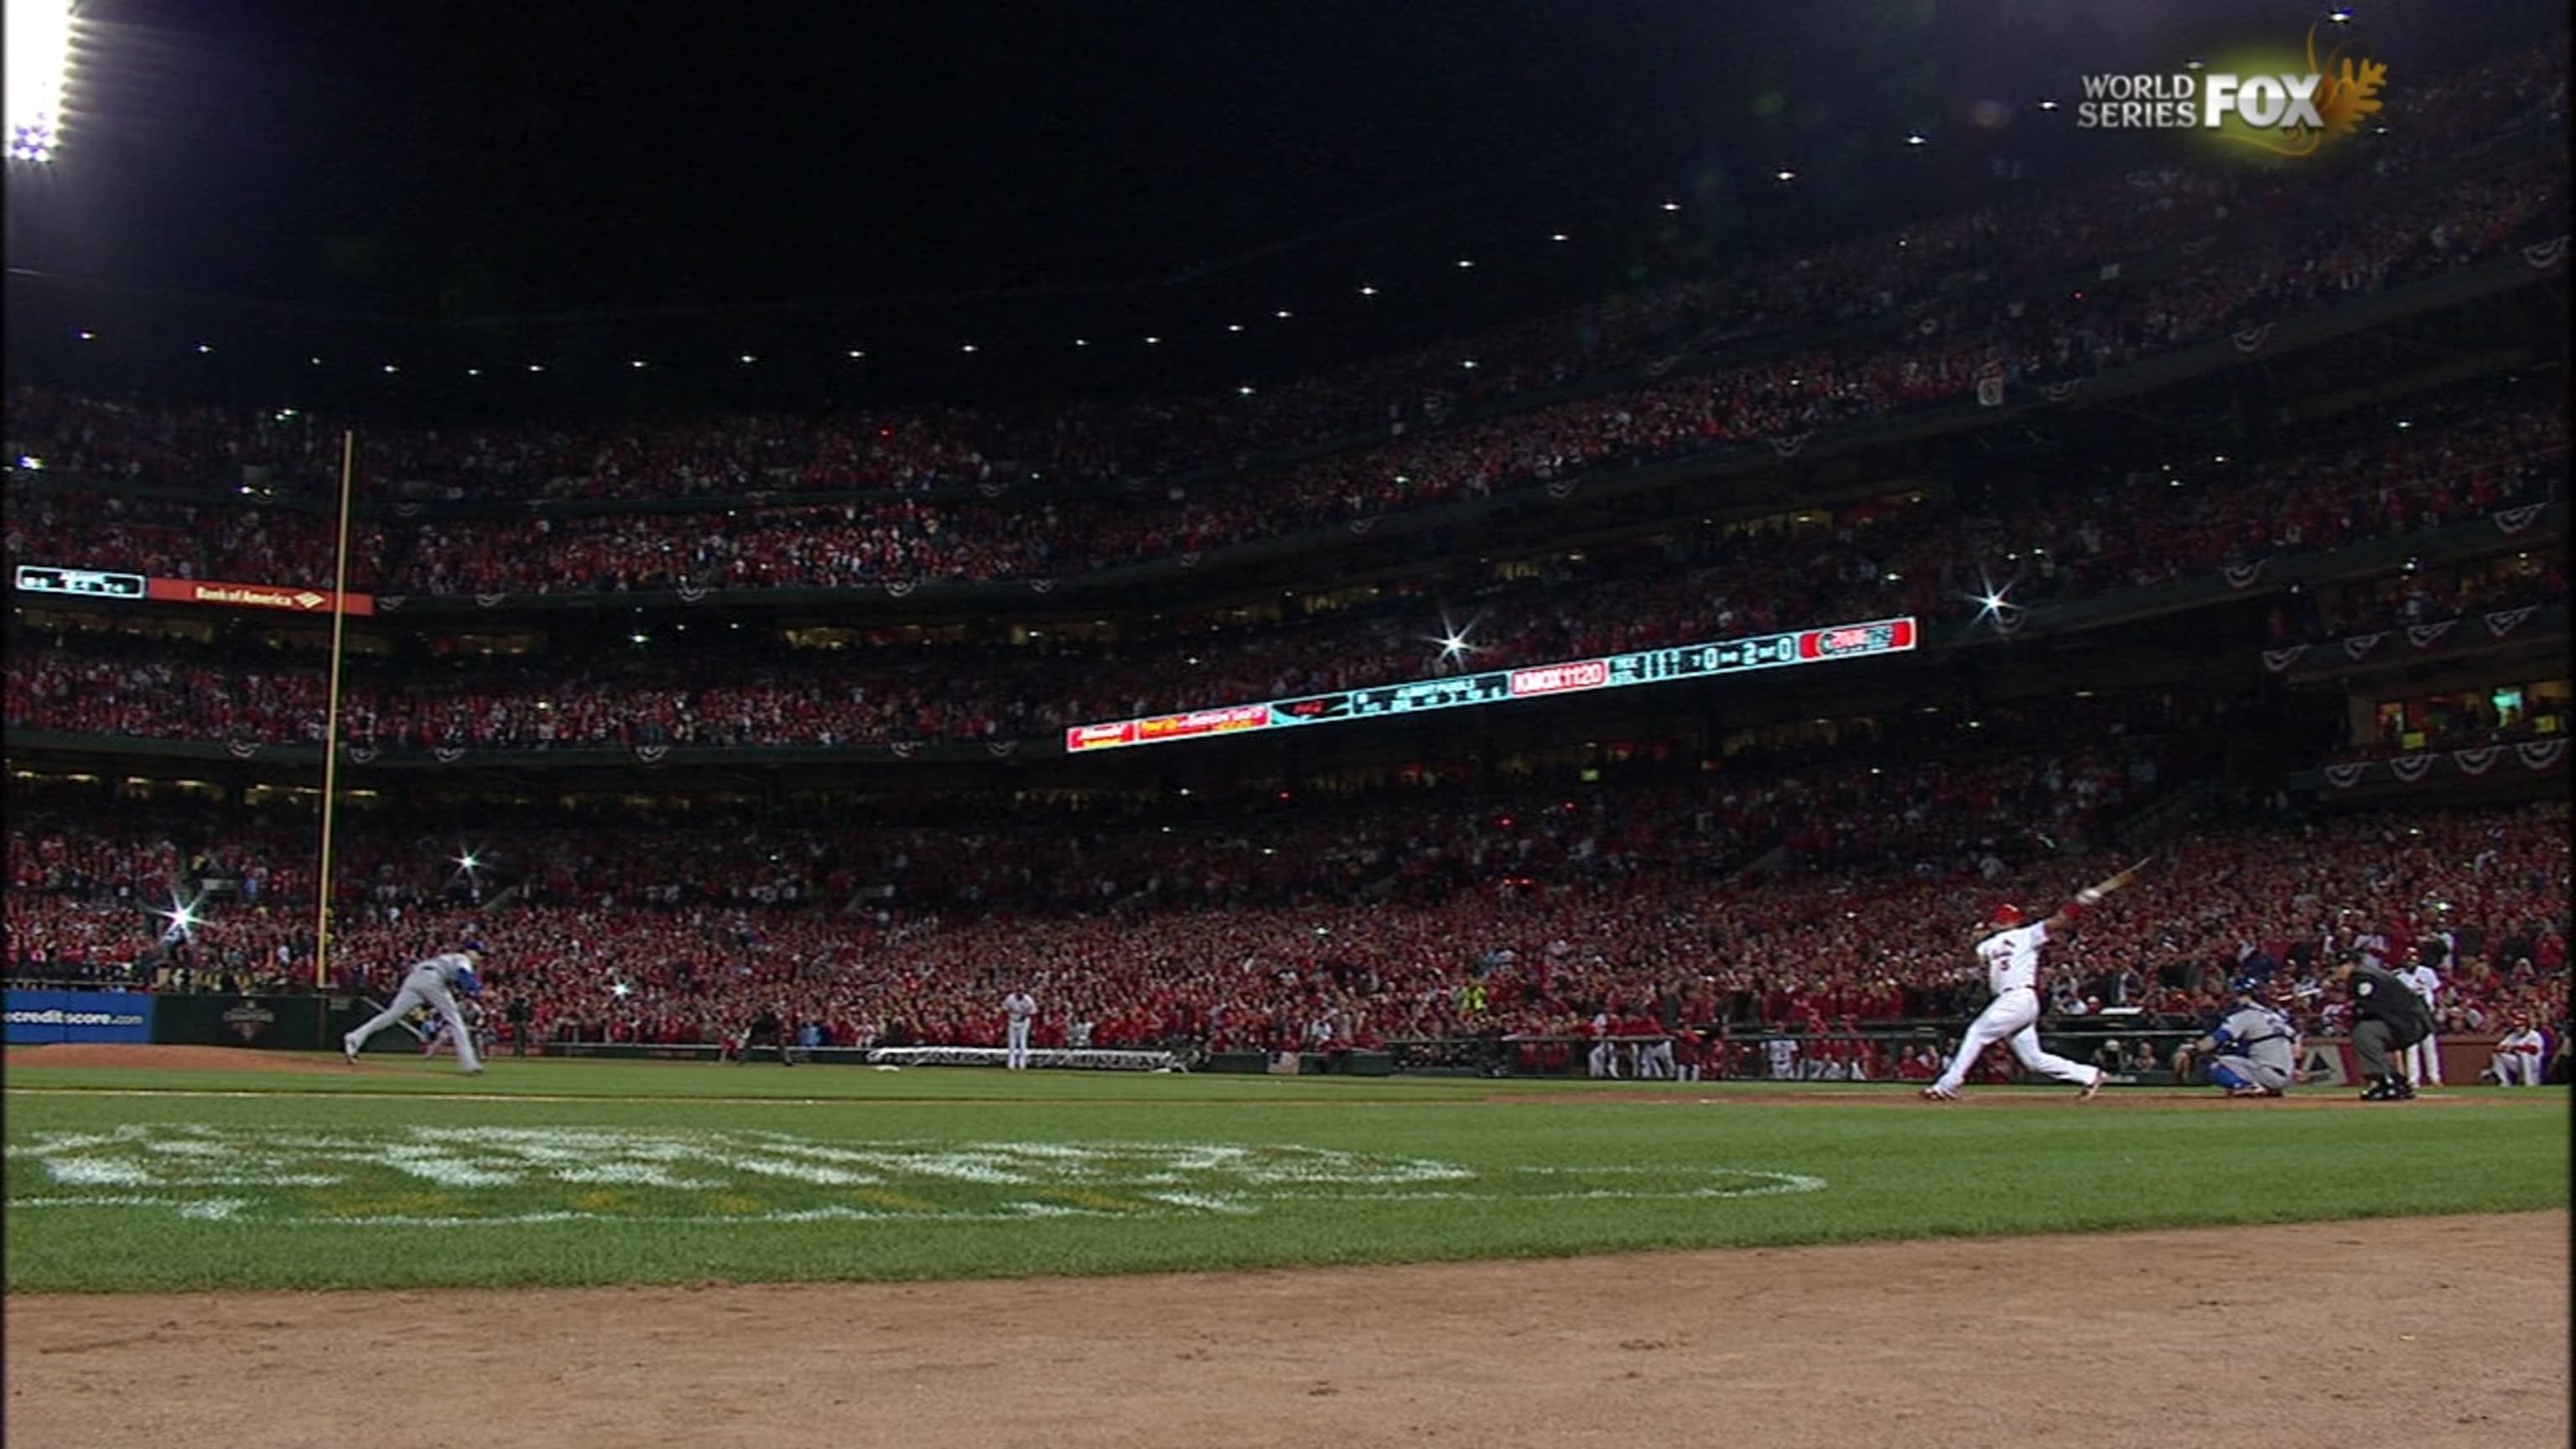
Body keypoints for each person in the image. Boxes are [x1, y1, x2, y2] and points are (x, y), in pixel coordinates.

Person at [1922, 860, 2145, 1102]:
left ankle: (1947, 1085)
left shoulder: (2001, 941)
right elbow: (2059, 920)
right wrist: (2080, 903)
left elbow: (1974, 954)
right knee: (2033, 1059)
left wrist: (2080, 903)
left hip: (2014, 998)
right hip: (2021, 1000)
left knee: (1977, 1032)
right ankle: (2090, 1075)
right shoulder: (2018, 936)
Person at [344, 943, 486, 1074]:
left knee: (391, 1016)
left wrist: (472, 988)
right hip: (432, 979)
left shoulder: (448, 958)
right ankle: (469, 1063)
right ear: (469, 951)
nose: (481, 957)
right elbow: (464, 974)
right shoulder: (462, 958)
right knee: (455, 1021)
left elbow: (460, 979)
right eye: (479, 953)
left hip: (415, 978)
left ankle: (354, 1037)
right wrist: (477, 989)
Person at [2173, 977, 2300, 1097]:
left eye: (2239, 995)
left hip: (2268, 1073)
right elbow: (2297, 1044)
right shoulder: (2274, 1016)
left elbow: (2216, 1040)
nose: (2234, 998)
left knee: (2211, 1062)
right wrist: (2296, 1067)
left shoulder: (2245, 1014)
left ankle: (2243, 1086)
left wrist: (2192, 1050)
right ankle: (2267, 1088)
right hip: (2286, 1076)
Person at [2335, 952, 2435, 1100]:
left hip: (2409, 1023)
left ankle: (2384, 1082)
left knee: (2364, 1032)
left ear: (2352, 964)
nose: (2338, 971)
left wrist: (2351, 1014)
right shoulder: (2373, 974)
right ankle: (2397, 1081)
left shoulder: (2361, 977)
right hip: (2411, 1022)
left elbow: (2368, 1008)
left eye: (2340, 966)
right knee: (2368, 1032)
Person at [2397, 940, 2444, 1088]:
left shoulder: (2427, 972)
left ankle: (2434, 1077)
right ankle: (2413, 1079)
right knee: (2412, 1048)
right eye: (2408, 959)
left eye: (2413, 959)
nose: (2411, 962)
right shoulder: (2398, 976)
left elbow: (2437, 991)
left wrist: (2441, 1007)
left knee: (2430, 1046)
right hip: (2409, 1015)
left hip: (2426, 1012)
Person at [2490, 1015, 2548, 1086]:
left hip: (2532, 1066)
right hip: (2518, 1063)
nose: (2518, 1028)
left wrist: (2513, 1048)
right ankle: (2504, 1082)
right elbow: (2497, 1048)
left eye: (2521, 1026)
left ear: (2527, 1026)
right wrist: (2505, 1049)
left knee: (2524, 1054)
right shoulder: (2513, 1036)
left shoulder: (2534, 1035)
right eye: (2517, 1026)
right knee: (2497, 1055)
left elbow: (2533, 1050)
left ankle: (2528, 1082)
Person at [1002, 984, 1037, 1070]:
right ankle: (1011, 1064)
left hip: (1023, 1021)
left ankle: (1022, 1064)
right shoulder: (1010, 998)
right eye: (1018, 990)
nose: (1020, 992)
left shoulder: (1028, 1000)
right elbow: (1004, 1008)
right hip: (1012, 1020)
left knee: (1022, 1042)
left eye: (1021, 991)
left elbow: (1034, 1011)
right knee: (1012, 1043)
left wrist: (1025, 1015)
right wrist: (1010, 1015)